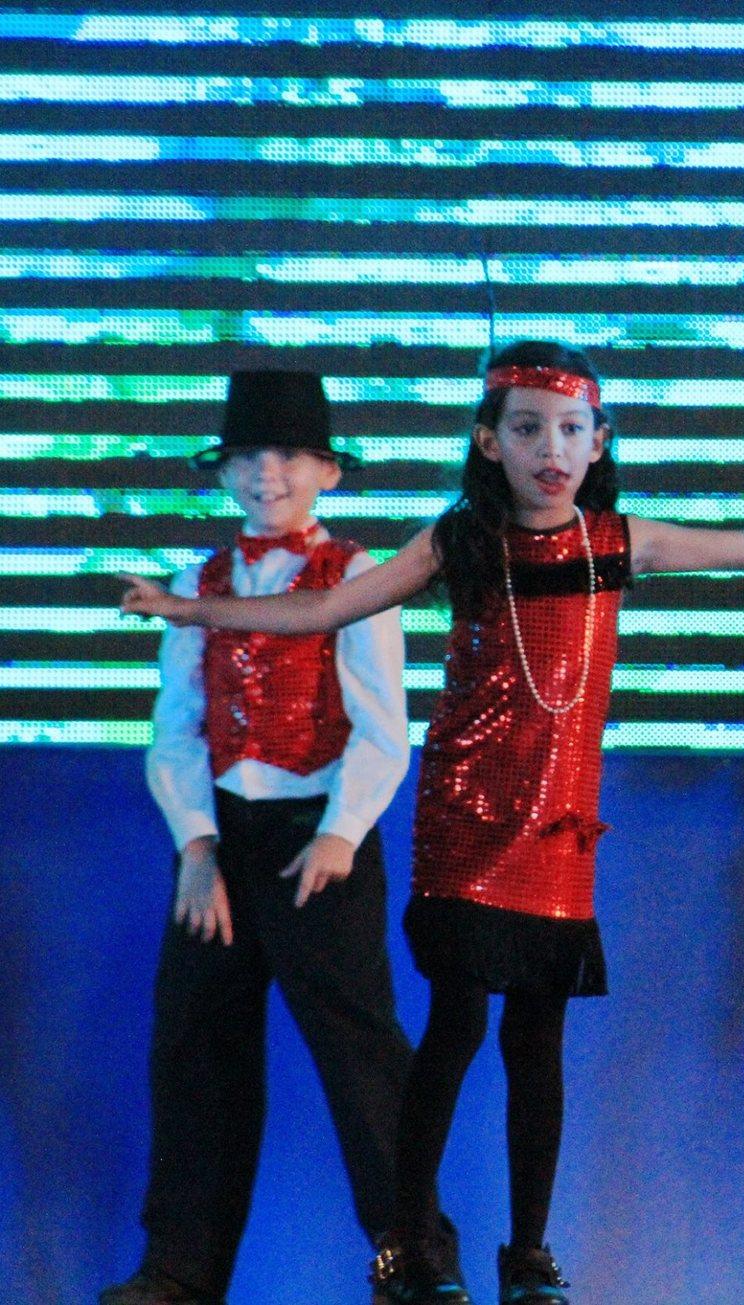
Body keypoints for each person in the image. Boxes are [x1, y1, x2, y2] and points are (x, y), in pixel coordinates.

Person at [120, 341, 744, 1305]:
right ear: (489, 442)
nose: (552, 449)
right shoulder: (460, 541)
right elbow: (326, 607)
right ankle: (405, 1247)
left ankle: (528, 1254)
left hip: (553, 827)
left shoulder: (615, 541)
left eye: (572, 429)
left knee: (533, 1044)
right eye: (528, 428)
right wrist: (188, 610)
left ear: (599, 442)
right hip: (466, 820)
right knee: (449, 1032)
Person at [102, 371, 416, 1305]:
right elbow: (176, 726)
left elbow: (382, 725)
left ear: (328, 470)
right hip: (222, 843)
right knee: (195, 1050)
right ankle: (179, 1268)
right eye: (245, 456)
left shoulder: (356, 575)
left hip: (317, 838)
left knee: (361, 1056)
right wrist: (197, 846)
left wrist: (342, 832)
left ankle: (414, 1258)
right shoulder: (198, 583)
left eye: (287, 455)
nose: (265, 473)